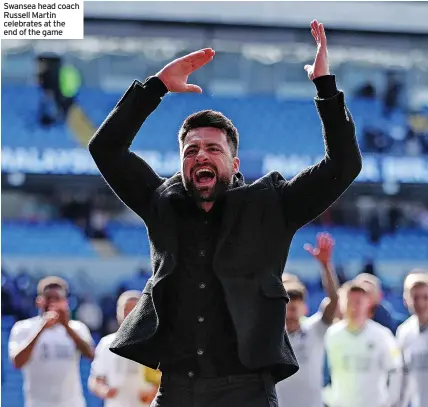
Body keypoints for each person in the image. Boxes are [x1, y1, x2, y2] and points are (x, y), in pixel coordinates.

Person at [88, 20, 362, 407]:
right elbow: (106, 149)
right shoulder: (160, 201)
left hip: (247, 390)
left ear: (234, 164)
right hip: (177, 389)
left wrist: (325, 87)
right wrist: (157, 87)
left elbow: (345, 164)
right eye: (191, 150)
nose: (200, 155)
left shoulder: (273, 205)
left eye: (213, 149)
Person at [8, 276, 94, 407]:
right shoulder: (24, 327)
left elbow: (90, 355)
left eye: (58, 298)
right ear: (39, 301)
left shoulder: (77, 327)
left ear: (65, 302)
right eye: (49, 298)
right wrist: (41, 329)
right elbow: (17, 362)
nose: (53, 303)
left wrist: (66, 326)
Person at [276, 232, 339, 407]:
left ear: (306, 307)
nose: (292, 304)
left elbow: (334, 301)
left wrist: (326, 266)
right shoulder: (270, 335)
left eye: (297, 299)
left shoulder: (315, 329)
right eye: (287, 299)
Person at [323, 280, 402, 407]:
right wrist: (328, 398)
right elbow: (321, 372)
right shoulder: (331, 335)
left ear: (368, 304)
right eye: (349, 302)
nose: (354, 307)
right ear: (342, 304)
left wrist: (389, 400)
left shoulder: (382, 335)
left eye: (358, 302)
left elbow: (395, 370)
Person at [88, 290, 158, 407]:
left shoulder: (154, 344)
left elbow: (167, 379)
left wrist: (153, 393)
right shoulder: (107, 343)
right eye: (125, 309)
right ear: (117, 312)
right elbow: (95, 381)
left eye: (134, 309)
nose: (129, 314)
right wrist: (104, 390)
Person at [396, 271, 428, 407]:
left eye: (426, 297)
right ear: (406, 300)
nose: (420, 303)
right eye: (415, 297)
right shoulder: (404, 332)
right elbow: (402, 377)